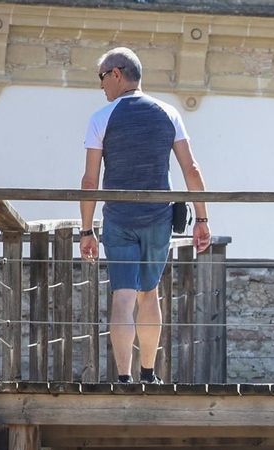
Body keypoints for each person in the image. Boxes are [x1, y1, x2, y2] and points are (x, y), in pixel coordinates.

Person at [78, 47, 212, 385]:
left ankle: (124, 379)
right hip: (158, 218)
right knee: (149, 292)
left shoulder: (101, 119)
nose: (101, 87)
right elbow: (191, 169)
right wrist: (202, 220)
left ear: (117, 74)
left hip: (119, 219)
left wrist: (86, 231)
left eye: (102, 78)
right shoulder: (169, 113)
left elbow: (90, 181)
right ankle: (149, 375)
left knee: (122, 295)